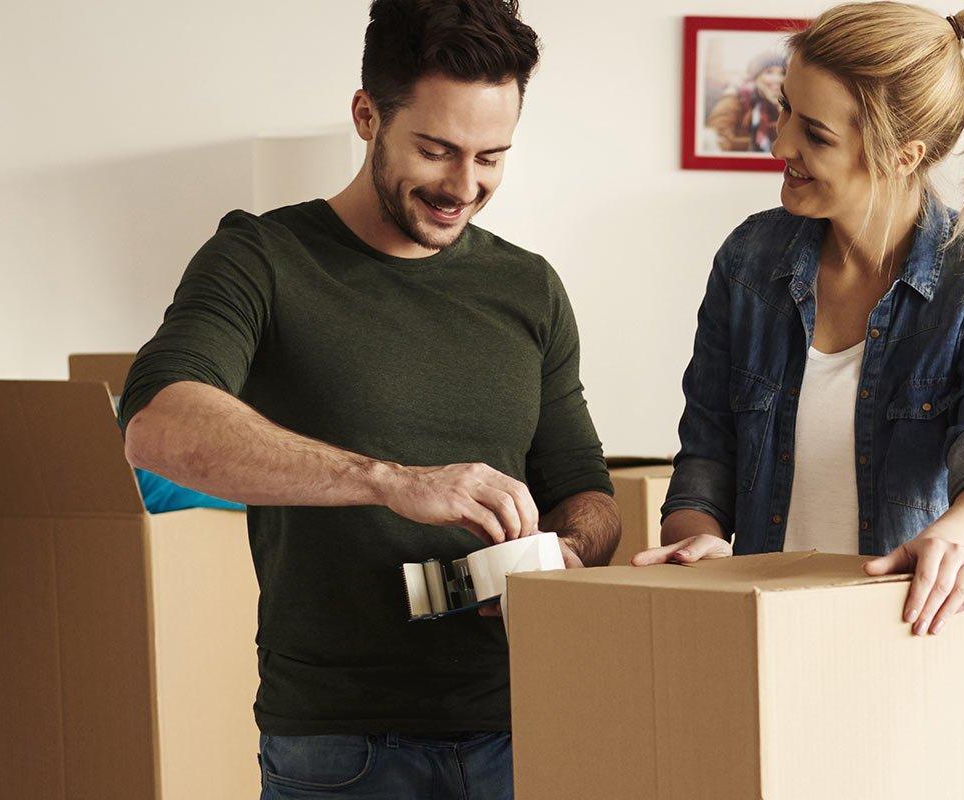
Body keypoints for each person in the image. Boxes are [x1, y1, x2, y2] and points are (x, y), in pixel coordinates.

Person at [114, 1, 607, 797]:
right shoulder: (261, 258)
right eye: (437, 150)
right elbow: (159, 426)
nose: (464, 186)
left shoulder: (529, 287)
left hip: (524, 729)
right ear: (366, 114)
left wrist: (567, 554)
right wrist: (393, 481)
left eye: (492, 157)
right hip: (342, 748)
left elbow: (584, 487)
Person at [638, 1, 964, 639]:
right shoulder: (748, 263)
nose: (780, 145)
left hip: (911, 637)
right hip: (761, 633)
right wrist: (700, 545)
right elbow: (706, 460)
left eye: (816, 134)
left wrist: (956, 541)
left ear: (903, 156)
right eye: (784, 110)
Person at [707, 52, 790, 153]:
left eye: (782, 73)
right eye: (769, 72)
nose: (777, 79)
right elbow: (716, 141)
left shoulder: (783, 104)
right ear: (755, 77)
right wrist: (750, 145)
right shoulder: (735, 99)